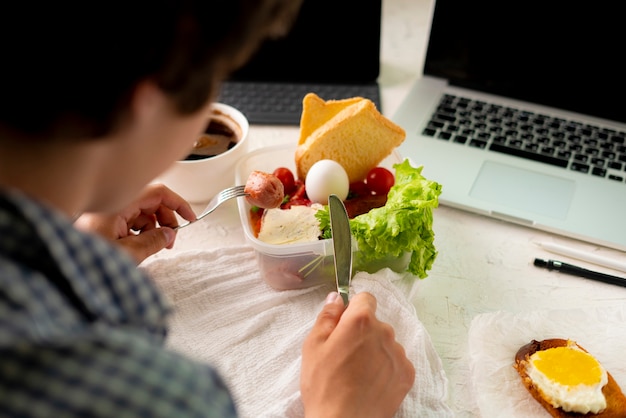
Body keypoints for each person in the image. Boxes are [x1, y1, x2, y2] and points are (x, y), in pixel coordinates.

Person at [0, 1, 416, 417]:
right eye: (216, 82)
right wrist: (340, 408)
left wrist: (81, 256)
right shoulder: (175, 400)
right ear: (148, 102)